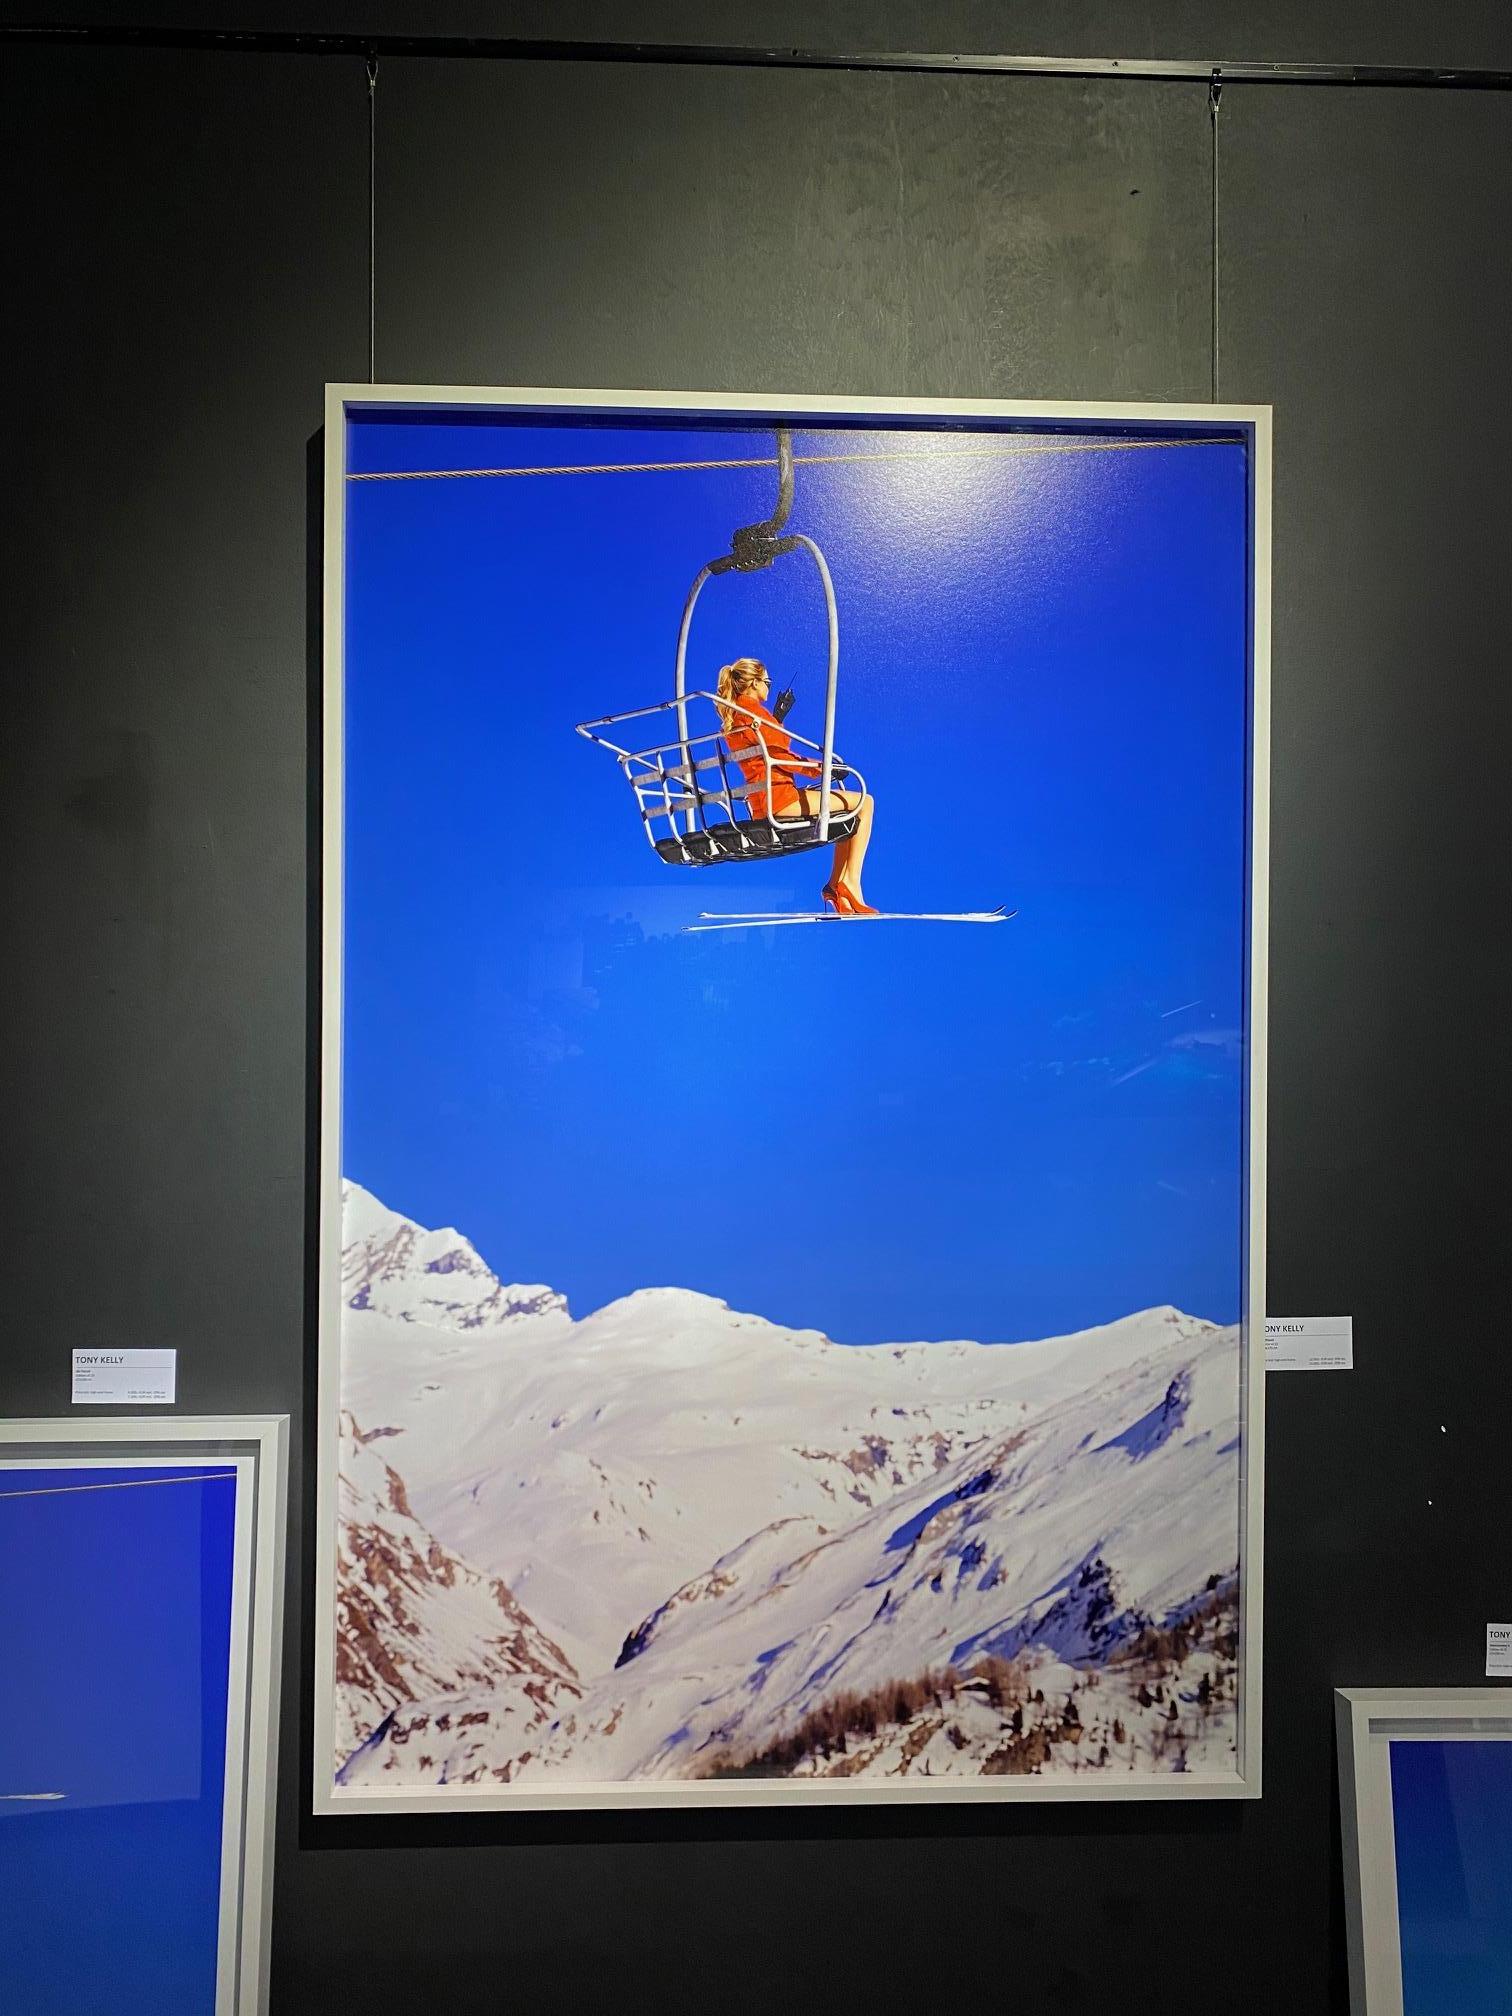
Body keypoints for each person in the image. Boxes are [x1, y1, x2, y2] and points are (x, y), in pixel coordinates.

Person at [714, 656, 877, 915]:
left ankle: (836, 886)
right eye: (767, 681)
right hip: (780, 801)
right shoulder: (755, 715)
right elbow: (781, 757)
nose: (769, 686)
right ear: (754, 683)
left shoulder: (737, 716)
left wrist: (776, 717)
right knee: (865, 803)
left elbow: (763, 752)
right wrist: (824, 769)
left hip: (761, 803)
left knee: (849, 814)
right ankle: (849, 883)